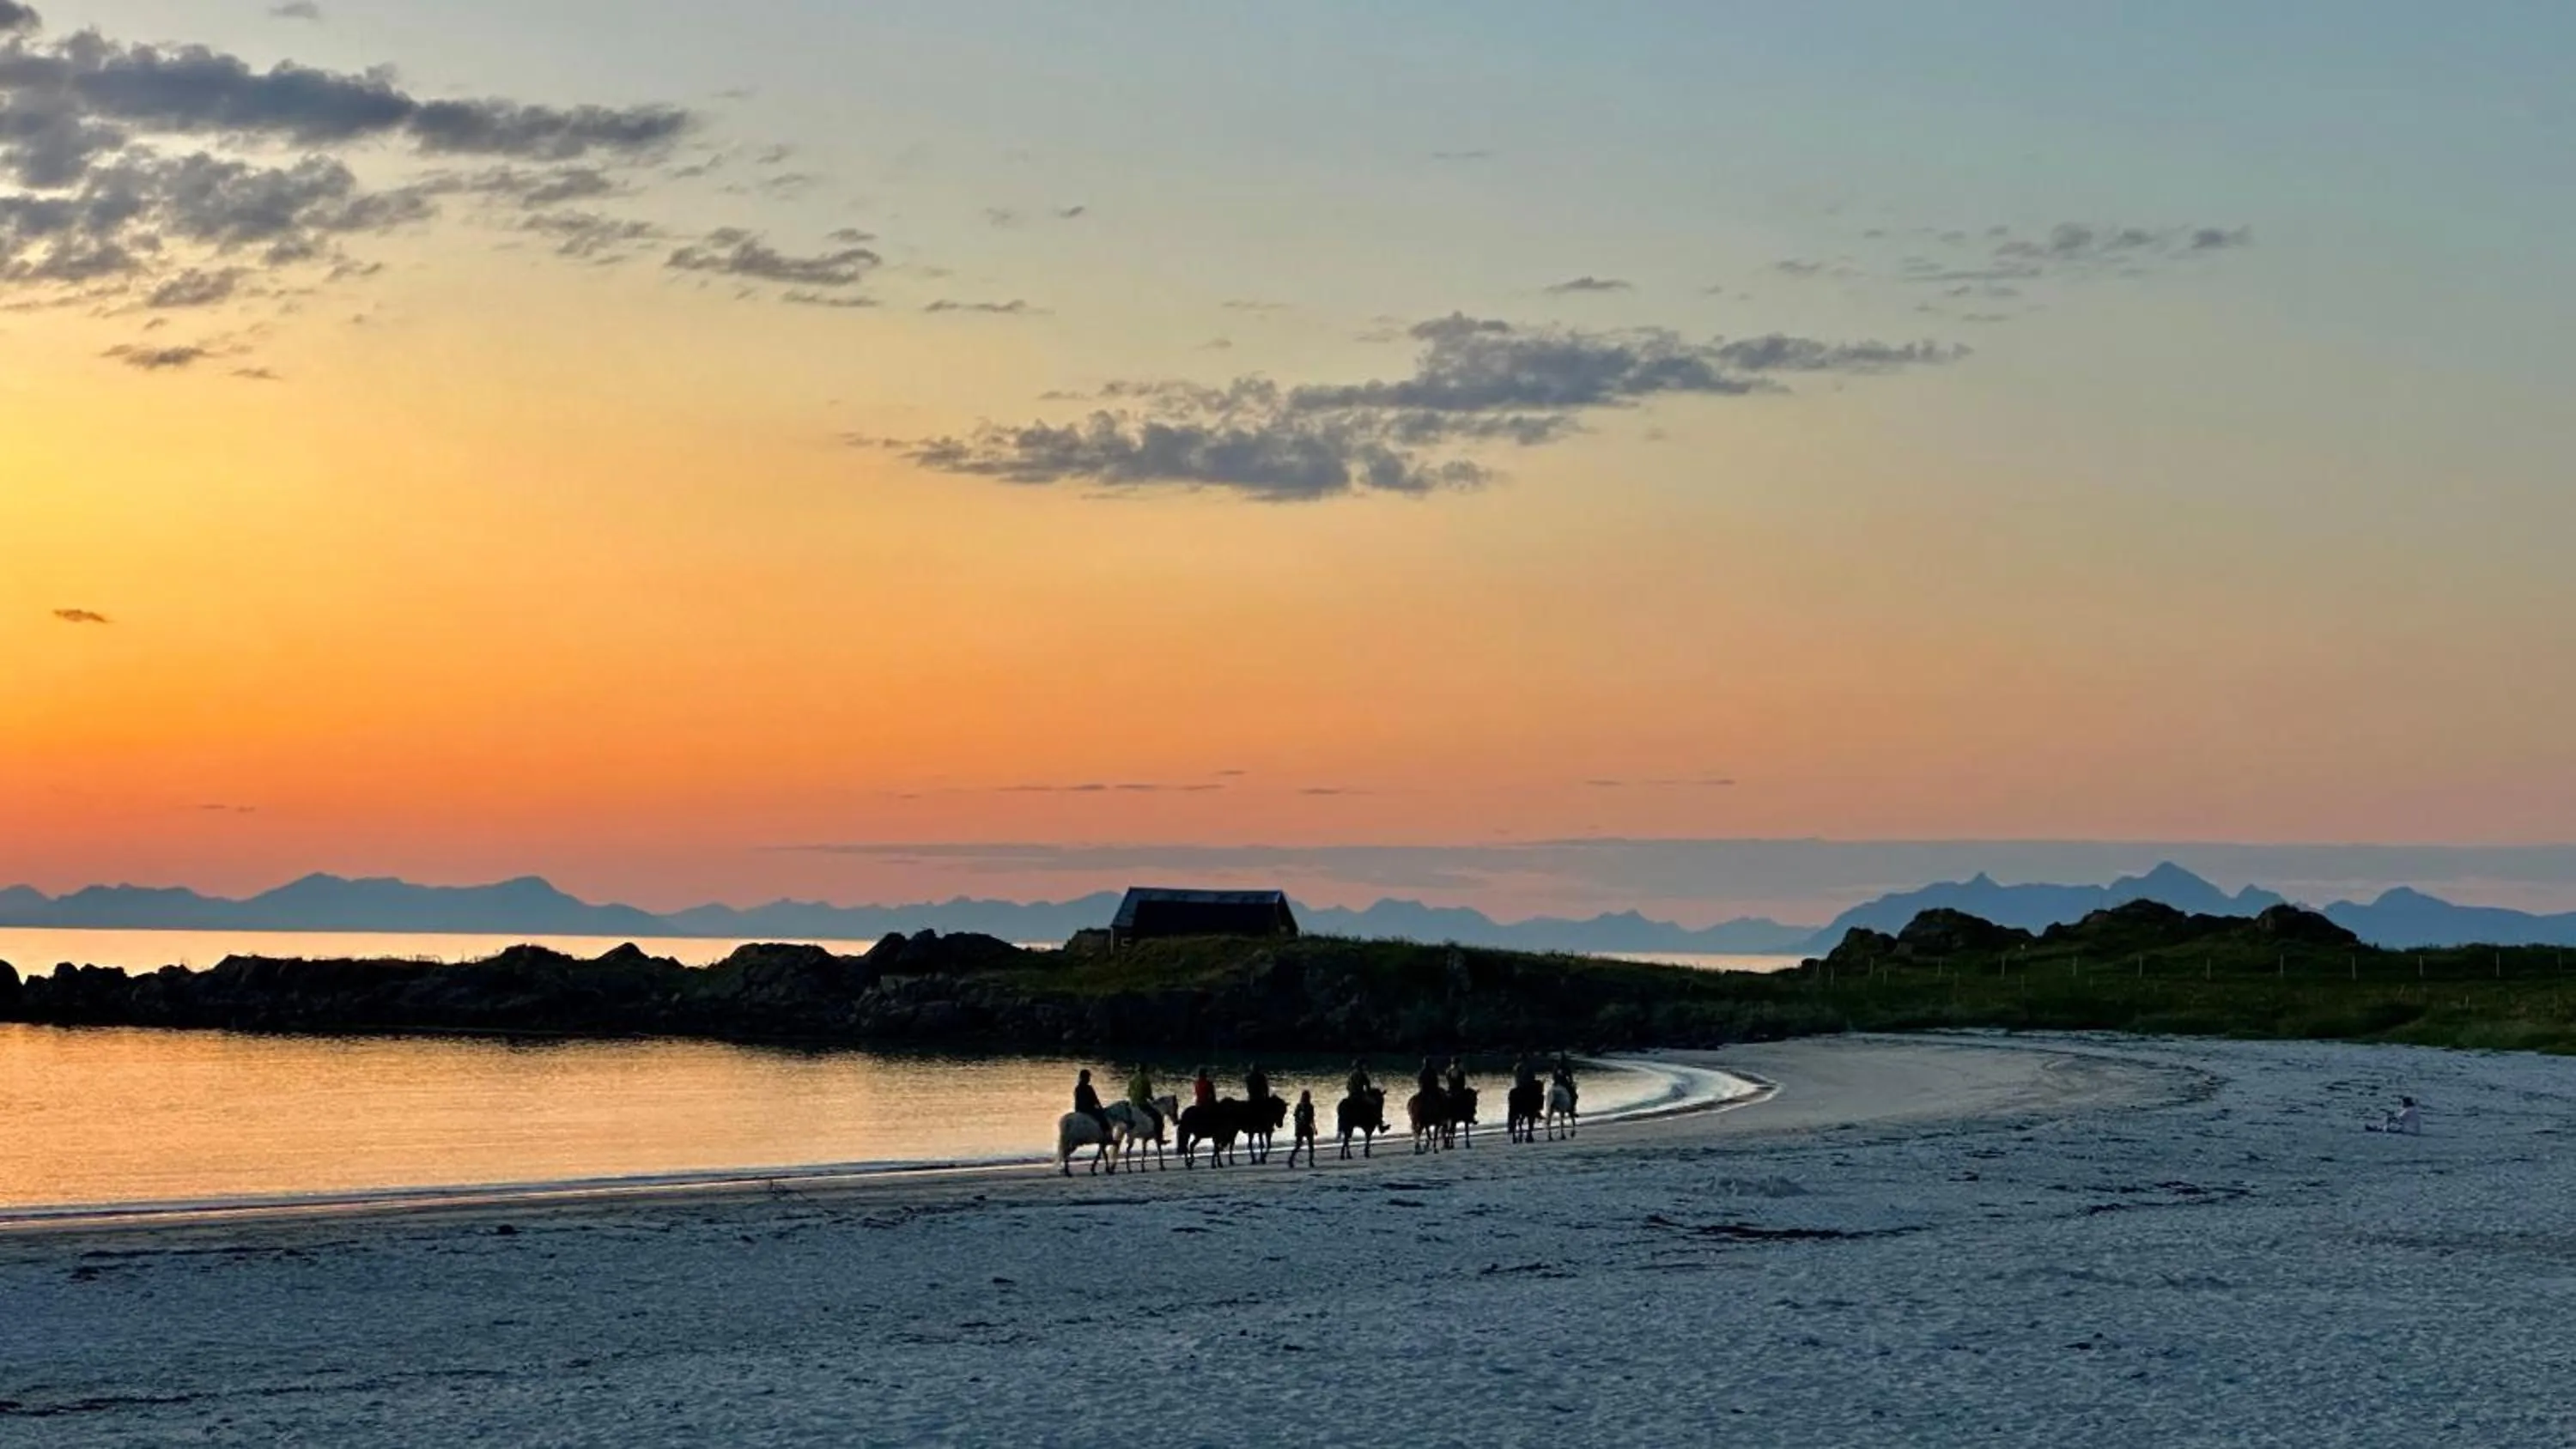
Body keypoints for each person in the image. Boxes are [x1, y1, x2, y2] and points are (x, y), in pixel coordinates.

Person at [1072, 1069, 1110, 1136]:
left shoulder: (1077, 1088)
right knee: (1102, 1118)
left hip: (1078, 1109)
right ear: (1084, 1078)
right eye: (1088, 1077)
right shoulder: (1088, 1088)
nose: (1089, 1079)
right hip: (1087, 1109)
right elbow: (1095, 1100)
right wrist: (1100, 1108)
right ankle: (1106, 1134)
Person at [1127, 1064, 1160, 1132]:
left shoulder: (1132, 1078)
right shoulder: (1145, 1079)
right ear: (1145, 1070)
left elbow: (1129, 1092)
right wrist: (1153, 1100)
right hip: (1141, 1103)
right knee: (1157, 1116)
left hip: (1132, 1103)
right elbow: (1148, 1093)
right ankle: (1159, 1137)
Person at [1290, 1089, 1317, 1167]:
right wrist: (1314, 1128)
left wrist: (1314, 1128)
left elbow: (1297, 1118)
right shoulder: (1307, 1106)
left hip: (1303, 1127)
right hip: (1304, 1127)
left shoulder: (1302, 1106)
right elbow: (1311, 1119)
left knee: (1304, 1145)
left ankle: (1292, 1159)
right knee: (1306, 1145)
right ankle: (1310, 1161)